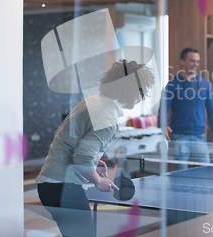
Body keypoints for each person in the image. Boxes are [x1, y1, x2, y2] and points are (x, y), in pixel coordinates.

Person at [37, 59, 155, 237]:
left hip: (51, 182)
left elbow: (72, 142)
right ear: (130, 90)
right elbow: (82, 158)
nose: (142, 97)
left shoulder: (92, 102)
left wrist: (93, 161)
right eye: (141, 91)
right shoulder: (108, 119)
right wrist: (98, 181)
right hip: (63, 186)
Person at [159, 47, 213, 171]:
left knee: (204, 173)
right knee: (181, 176)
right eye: (192, 61)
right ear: (183, 61)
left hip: (199, 137)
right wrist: (163, 125)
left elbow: (212, 110)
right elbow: (163, 109)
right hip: (179, 137)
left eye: (197, 61)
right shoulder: (171, 85)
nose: (195, 64)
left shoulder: (205, 85)